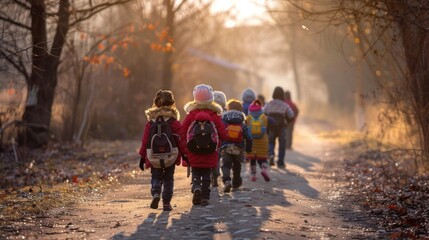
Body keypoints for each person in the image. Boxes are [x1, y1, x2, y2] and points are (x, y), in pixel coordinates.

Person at [139, 90, 188, 211]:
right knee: (168, 178)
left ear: (156, 104)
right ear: (172, 104)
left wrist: (142, 157)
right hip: (170, 156)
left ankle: (156, 193)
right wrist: (185, 155)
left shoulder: (151, 123)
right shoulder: (174, 122)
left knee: (156, 176)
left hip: (154, 156)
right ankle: (166, 203)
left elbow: (145, 142)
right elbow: (180, 140)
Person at [181, 84, 227, 206]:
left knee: (196, 172)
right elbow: (222, 133)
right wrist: (220, 143)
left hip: (193, 150)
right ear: (211, 98)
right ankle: (205, 197)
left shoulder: (191, 114)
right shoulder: (215, 114)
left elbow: (182, 131)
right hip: (210, 150)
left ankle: (196, 186)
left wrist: (184, 147)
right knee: (207, 174)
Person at [220, 99, 253, 192]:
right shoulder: (241, 121)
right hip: (238, 148)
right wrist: (248, 149)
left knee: (226, 165)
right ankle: (236, 183)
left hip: (225, 147)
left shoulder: (224, 119)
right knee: (237, 166)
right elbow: (248, 136)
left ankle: (226, 181)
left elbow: (220, 132)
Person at [263, 86, 295, 168]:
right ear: (282, 95)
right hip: (281, 127)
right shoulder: (285, 105)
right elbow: (291, 115)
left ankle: (271, 155)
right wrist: (287, 122)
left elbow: (263, 113)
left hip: (271, 127)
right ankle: (280, 162)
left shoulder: (269, 103)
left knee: (270, 142)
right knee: (282, 144)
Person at [246, 99, 270, 181]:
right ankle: (263, 168)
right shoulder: (264, 118)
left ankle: (253, 175)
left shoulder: (248, 118)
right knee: (262, 158)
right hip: (262, 141)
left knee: (253, 158)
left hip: (251, 141)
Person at [211, 91, 227, 187]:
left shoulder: (211, 112)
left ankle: (213, 176)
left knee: (214, 157)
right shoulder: (225, 112)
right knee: (218, 158)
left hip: (212, 139)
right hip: (223, 139)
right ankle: (216, 176)